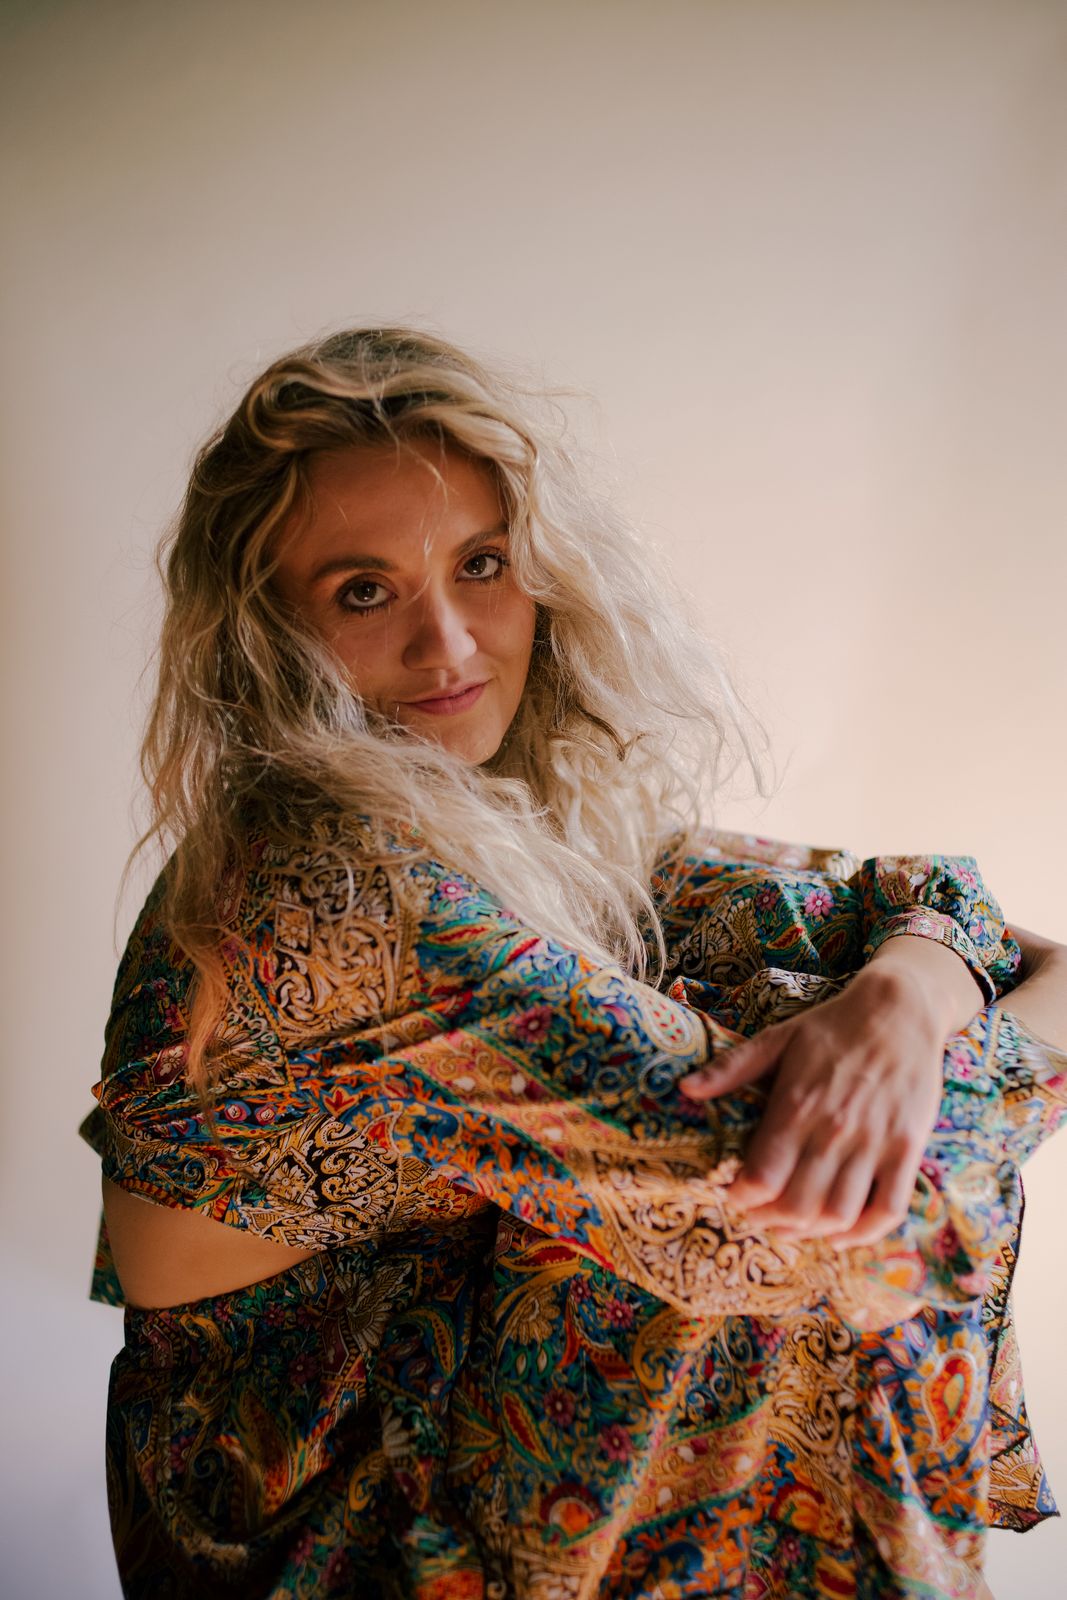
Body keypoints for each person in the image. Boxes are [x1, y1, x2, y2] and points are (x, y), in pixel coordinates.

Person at [78, 327, 1067, 1600]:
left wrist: (901, 992)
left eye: (481, 564)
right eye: (362, 591)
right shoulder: (330, 888)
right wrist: (970, 1023)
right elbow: (867, 1213)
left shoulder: (508, 799)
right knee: (771, 1206)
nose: (449, 645)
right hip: (308, 1511)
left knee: (788, 990)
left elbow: (919, 906)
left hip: (429, 1389)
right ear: (272, 634)